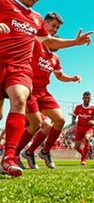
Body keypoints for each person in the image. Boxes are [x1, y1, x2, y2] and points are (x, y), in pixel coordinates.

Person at [0, 0, 93, 176]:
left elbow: (50, 42)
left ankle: (9, 157)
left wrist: (74, 42)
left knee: (19, 99)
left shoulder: (36, 19)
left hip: (20, 69)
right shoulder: (3, 1)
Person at [19, 12, 82, 169]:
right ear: (44, 24)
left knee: (60, 120)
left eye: (57, 27)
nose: (54, 29)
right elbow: (51, 41)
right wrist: (75, 42)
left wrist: (72, 78)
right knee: (40, 125)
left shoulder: (55, 59)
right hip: (29, 89)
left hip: (44, 92)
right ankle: (14, 154)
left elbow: (60, 76)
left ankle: (43, 151)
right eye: (53, 26)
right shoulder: (35, 42)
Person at [72, 92, 94, 165]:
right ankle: (85, 154)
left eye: (88, 98)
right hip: (79, 128)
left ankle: (83, 159)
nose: (87, 99)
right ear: (83, 98)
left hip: (89, 128)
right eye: (85, 98)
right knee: (76, 147)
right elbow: (74, 115)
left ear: (90, 99)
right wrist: (74, 120)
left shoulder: (93, 108)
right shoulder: (78, 107)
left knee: (87, 138)